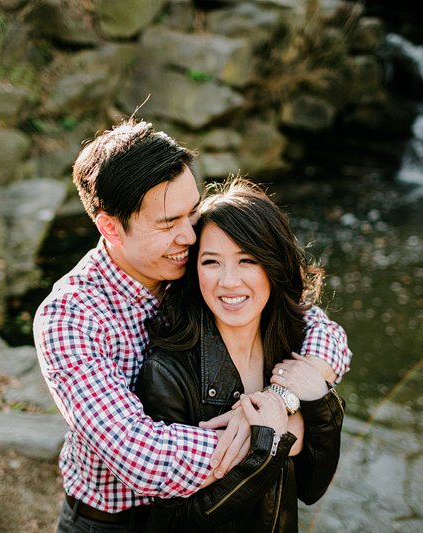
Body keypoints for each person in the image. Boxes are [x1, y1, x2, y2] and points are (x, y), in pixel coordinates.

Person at [33, 118, 351, 533]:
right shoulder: (72, 315)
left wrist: (282, 397)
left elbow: (322, 332)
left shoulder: (191, 259)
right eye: (168, 223)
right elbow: (139, 455)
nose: (189, 234)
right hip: (113, 523)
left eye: (193, 211)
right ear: (111, 227)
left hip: (210, 507)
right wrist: (268, 439)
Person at [135, 177, 345, 532]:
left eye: (247, 260)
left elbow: (311, 488)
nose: (229, 281)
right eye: (211, 262)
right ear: (193, 270)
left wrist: (318, 402)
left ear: (273, 265)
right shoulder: (167, 373)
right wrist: (265, 448)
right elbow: (173, 521)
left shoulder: (295, 350)